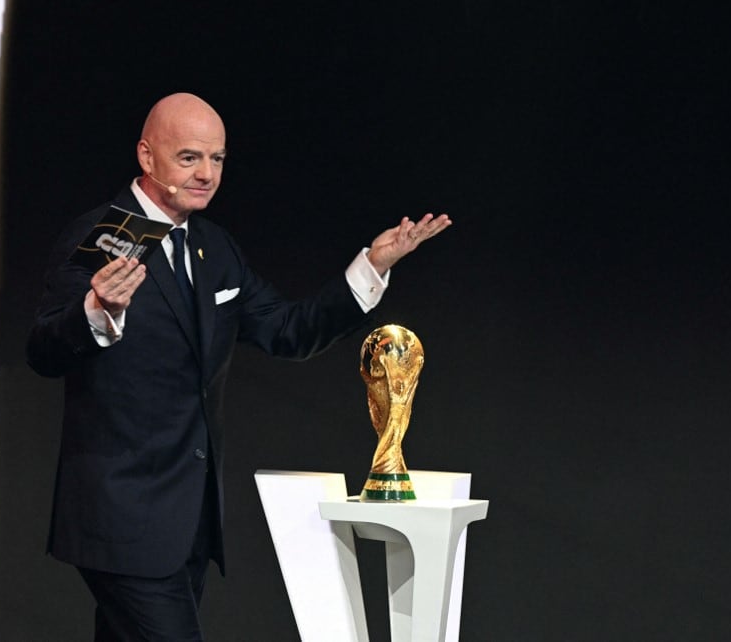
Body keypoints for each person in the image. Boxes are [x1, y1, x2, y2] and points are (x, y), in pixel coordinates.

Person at [26, 92, 451, 640]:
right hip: (121, 519)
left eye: (217, 159)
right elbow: (42, 350)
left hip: (189, 523)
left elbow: (288, 331)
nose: (206, 173)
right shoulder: (105, 238)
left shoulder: (214, 248)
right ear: (146, 156)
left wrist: (372, 265)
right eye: (189, 158)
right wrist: (96, 310)